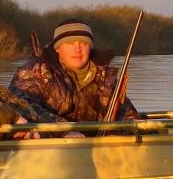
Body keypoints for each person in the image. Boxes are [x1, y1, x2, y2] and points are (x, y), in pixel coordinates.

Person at [8, 18, 140, 123]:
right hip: (52, 147)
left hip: (97, 148)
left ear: (91, 47)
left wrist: (122, 132)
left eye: (84, 43)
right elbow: (18, 106)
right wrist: (62, 130)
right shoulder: (34, 72)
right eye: (70, 43)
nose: (78, 49)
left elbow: (127, 113)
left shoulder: (106, 76)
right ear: (57, 48)